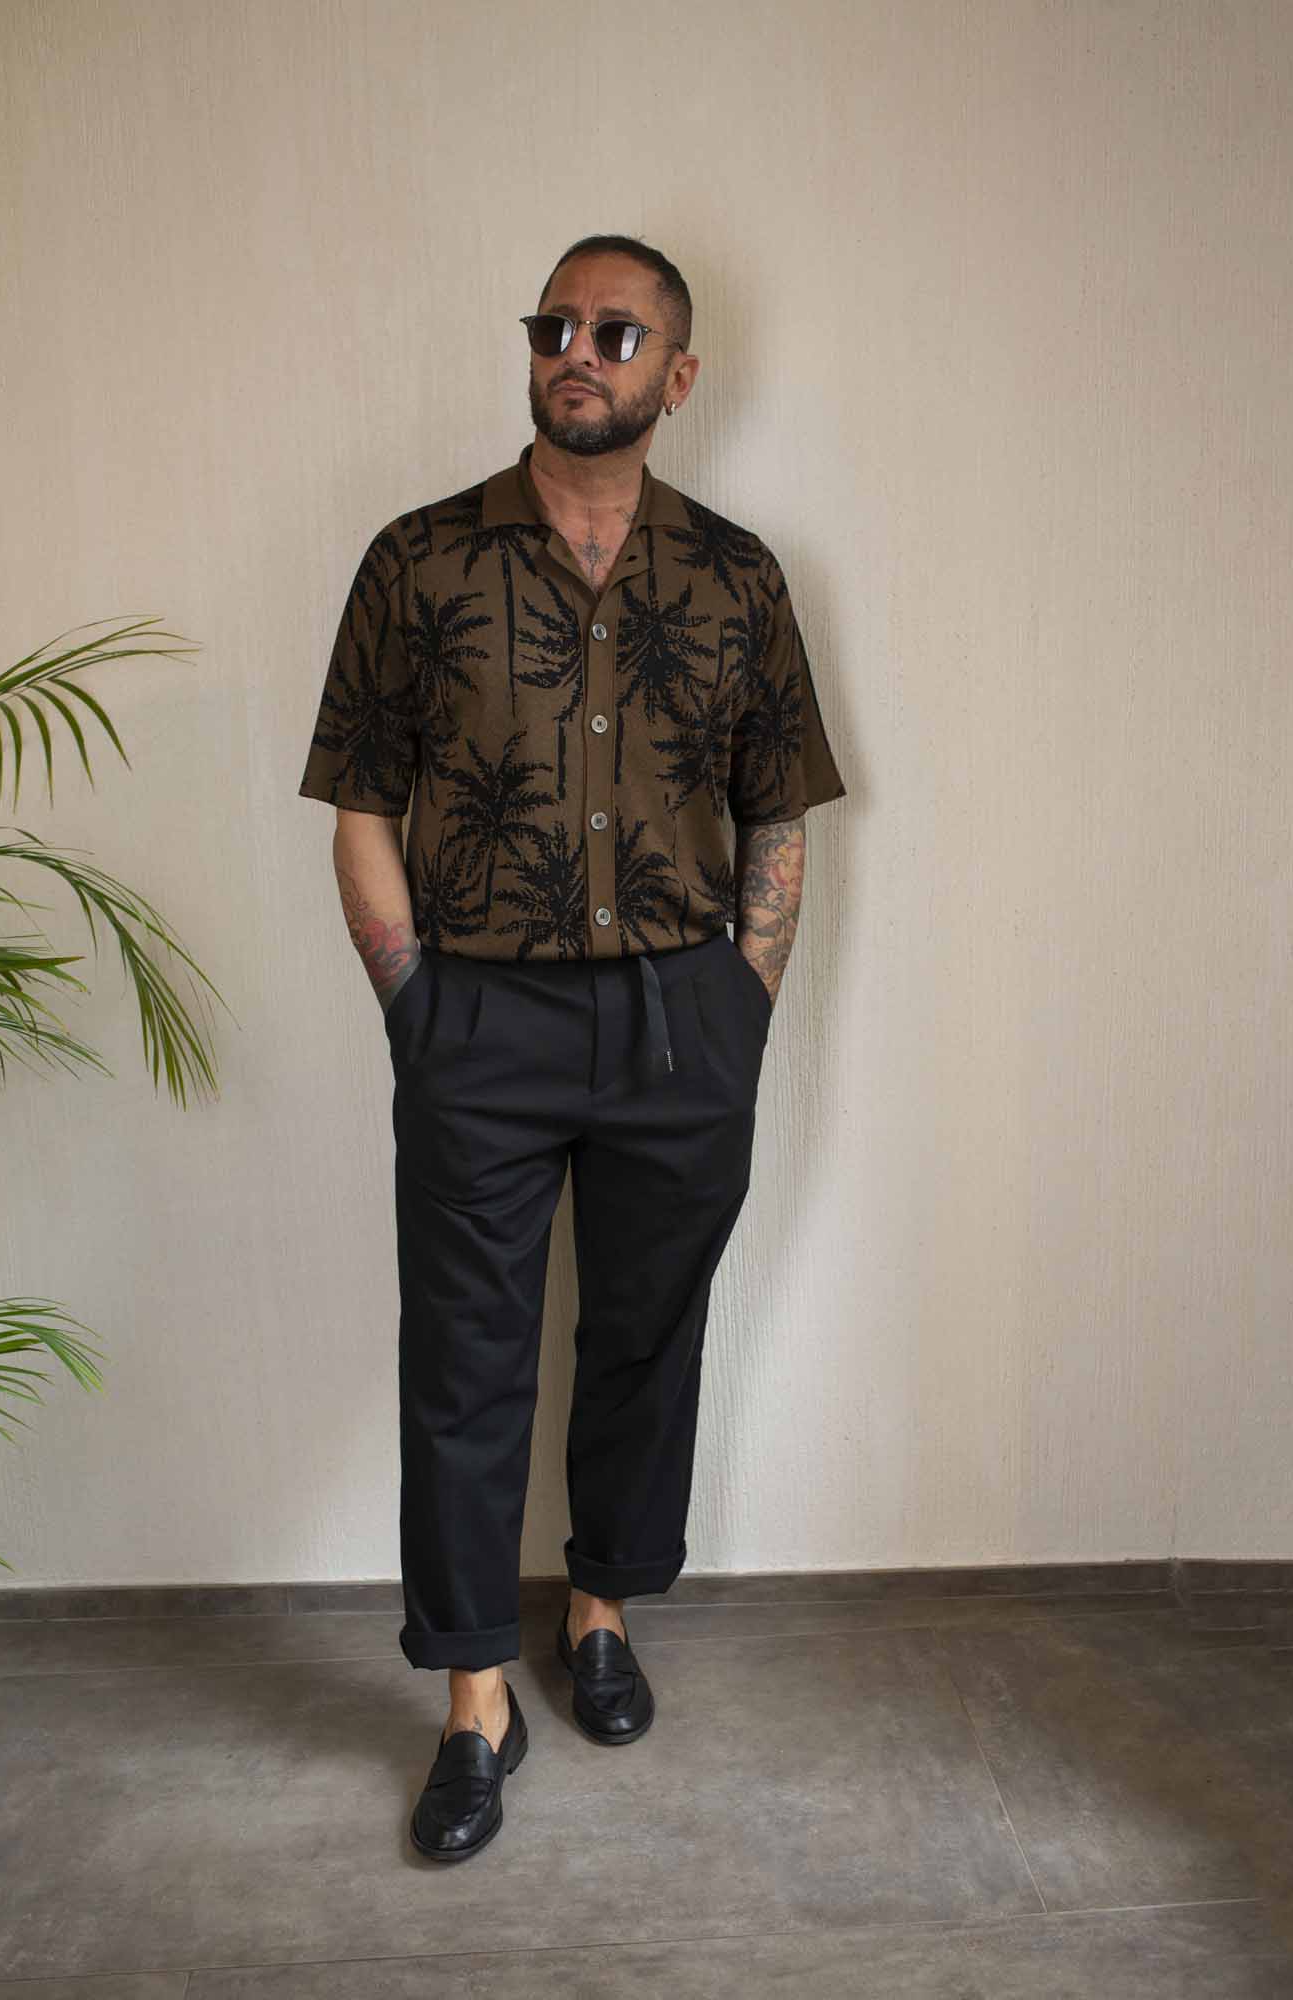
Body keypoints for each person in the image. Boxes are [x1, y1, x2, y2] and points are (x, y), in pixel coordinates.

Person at [298, 232, 847, 1861]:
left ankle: (598, 1609)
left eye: (616, 332)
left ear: (678, 375)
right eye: (557, 325)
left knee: (641, 1336)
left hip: (683, 1019)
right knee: (465, 1361)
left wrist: (742, 1003)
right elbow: (361, 803)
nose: (576, 352)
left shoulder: (738, 576)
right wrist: (418, 1009)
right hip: (480, 1014)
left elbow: (779, 812)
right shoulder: (419, 563)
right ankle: (475, 1698)